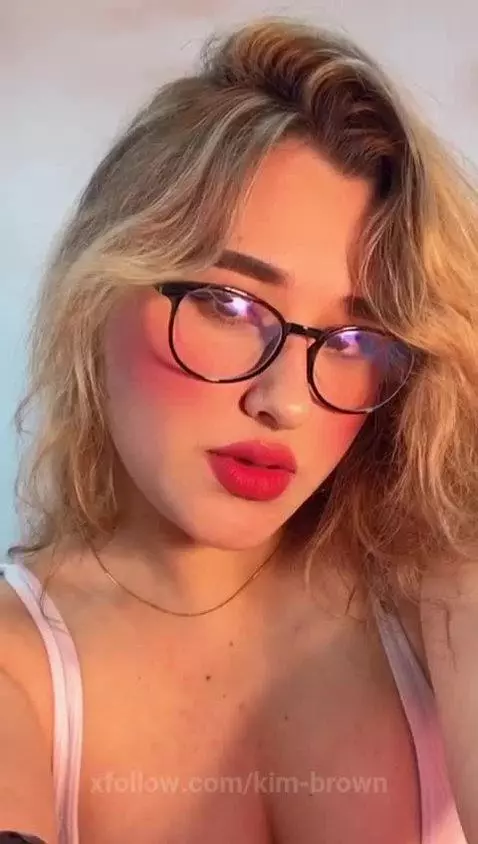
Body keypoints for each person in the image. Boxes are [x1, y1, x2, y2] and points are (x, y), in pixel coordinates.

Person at [1, 15, 477, 844]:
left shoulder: (441, 596)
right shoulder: (19, 667)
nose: (284, 402)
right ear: (99, 291)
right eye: (228, 304)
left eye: (354, 339)